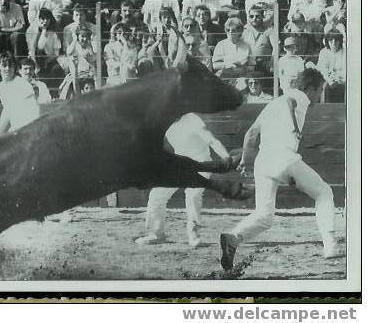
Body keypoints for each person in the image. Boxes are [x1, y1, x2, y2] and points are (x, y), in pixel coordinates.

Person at [219, 68, 340, 271]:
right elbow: (289, 102)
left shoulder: (271, 104)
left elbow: (250, 134)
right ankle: (331, 246)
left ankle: (233, 238)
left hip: (264, 162)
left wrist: (246, 161)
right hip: (284, 158)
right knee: (324, 192)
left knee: (264, 217)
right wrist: (295, 127)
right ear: (309, 88)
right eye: (319, 90)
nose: (319, 96)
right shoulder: (299, 97)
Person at [135, 113, 236, 247]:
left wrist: (227, 159)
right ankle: (156, 234)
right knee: (156, 195)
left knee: (193, 195)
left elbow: (212, 141)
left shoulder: (192, 119)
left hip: (201, 163)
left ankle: (194, 235)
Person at [0, 52, 42, 137]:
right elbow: (9, 112)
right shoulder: (0, 87)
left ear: (15, 68)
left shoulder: (21, 83)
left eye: (11, 66)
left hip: (30, 128)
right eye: (4, 65)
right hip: (17, 129)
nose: (8, 69)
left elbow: (33, 112)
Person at [27, 8, 65, 88]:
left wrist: (47, 61)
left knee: (56, 69)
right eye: (42, 19)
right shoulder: (32, 31)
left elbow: (56, 54)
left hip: (50, 60)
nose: (45, 21)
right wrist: (36, 65)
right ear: (38, 19)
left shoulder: (53, 34)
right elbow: (33, 49)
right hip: (36, 59)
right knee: (39, 53)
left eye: (47, 19)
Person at [242, 5, 274, 75]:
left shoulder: (269, 30)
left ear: (262, 17)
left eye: (257, 16)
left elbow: (276, 47)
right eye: (251, 16)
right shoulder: (243, 30)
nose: (254, 19)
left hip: (264, 66)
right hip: (247, 65)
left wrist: (272, 63)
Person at [316, 29, 346, 103]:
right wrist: (330, 80)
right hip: (328, 80)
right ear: (327, 41)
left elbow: (346, 69)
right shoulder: (324, 52)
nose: (333, 43)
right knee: (325, 86)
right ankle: (325, 111)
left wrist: (338, 79)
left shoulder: (345, 52)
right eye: (331, 40)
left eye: (336, 40)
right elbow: (322, 70)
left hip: (342, 80)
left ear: (340, 41)